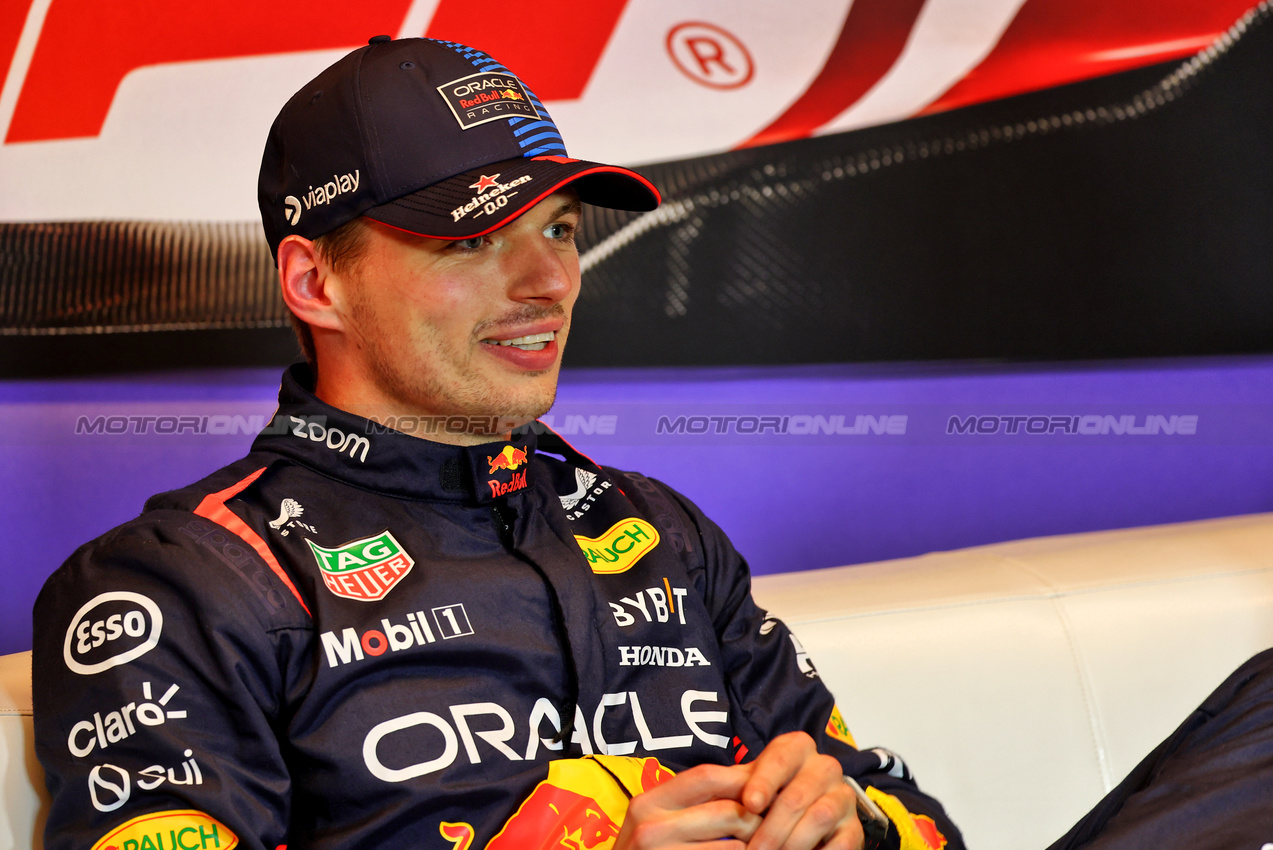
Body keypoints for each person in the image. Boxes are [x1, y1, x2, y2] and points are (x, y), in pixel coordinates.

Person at [33, 36, 963, 850]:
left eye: (558, 229)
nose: (548, 280)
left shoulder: (659, 531)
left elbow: (913, 815)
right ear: (317, 282)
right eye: (473, 240)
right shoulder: (175, 586)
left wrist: (854, 822)